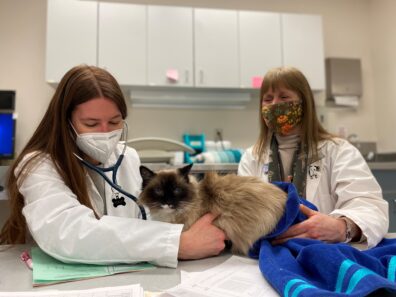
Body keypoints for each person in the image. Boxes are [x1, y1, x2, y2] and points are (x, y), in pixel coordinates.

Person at [0, 65, 226, 267]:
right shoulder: (38, 166)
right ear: (65, 123)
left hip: (125, 277)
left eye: (115, 121)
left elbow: (142, 222)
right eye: (91, 123)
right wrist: (177, 243)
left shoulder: (128, 157)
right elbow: (68, 233)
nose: (105, 132)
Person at [238, 66, 388, 248]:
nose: (274, 104)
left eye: (284, 97)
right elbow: (242, 215)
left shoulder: (338, 150)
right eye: (267, 99)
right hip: (270, 254)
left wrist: (341, 227)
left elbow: (370, 206)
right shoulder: (252, 158)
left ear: (304, 103)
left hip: (328, 251)